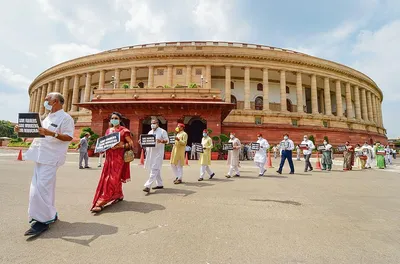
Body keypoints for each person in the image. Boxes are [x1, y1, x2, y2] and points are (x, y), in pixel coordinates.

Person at [15, 92, 74, 236]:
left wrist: (51, 133)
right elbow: (34, 134)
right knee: (46, 188)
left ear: (55, 101)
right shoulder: (45, 118)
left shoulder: (66, 118)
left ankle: (41, 221)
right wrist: (20, 131)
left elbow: (69, 137)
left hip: (51, 158)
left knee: (39, 190)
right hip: (40, 156)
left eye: (47, 100)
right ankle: (50, 214)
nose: (45, 102)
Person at [91, 112, 134, 212]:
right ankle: (118, 195)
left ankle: (102, 201)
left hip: (118, 159)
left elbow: (131, 144)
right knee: (113, 178)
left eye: (116, 118)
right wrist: (100, 148)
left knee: (110, 179)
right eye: (112, 118)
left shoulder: (124, 131)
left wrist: (121, 146)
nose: (114, 120)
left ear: (120, 119)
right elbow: (105, 142)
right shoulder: (108, 130)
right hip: (109, 158)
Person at [142, 118, 169, 192]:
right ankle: (160, 184)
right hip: (150, 153)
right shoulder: (150, 132)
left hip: (158, 153)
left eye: (154, 123)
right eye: (151, 123)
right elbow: (147, 141)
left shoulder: (162, 131)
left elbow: (167, 141)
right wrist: (142, 141)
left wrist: (161, 141)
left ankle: (147, 186)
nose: (152, 125)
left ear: (158, 123)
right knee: (155, 169)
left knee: (154, 169)